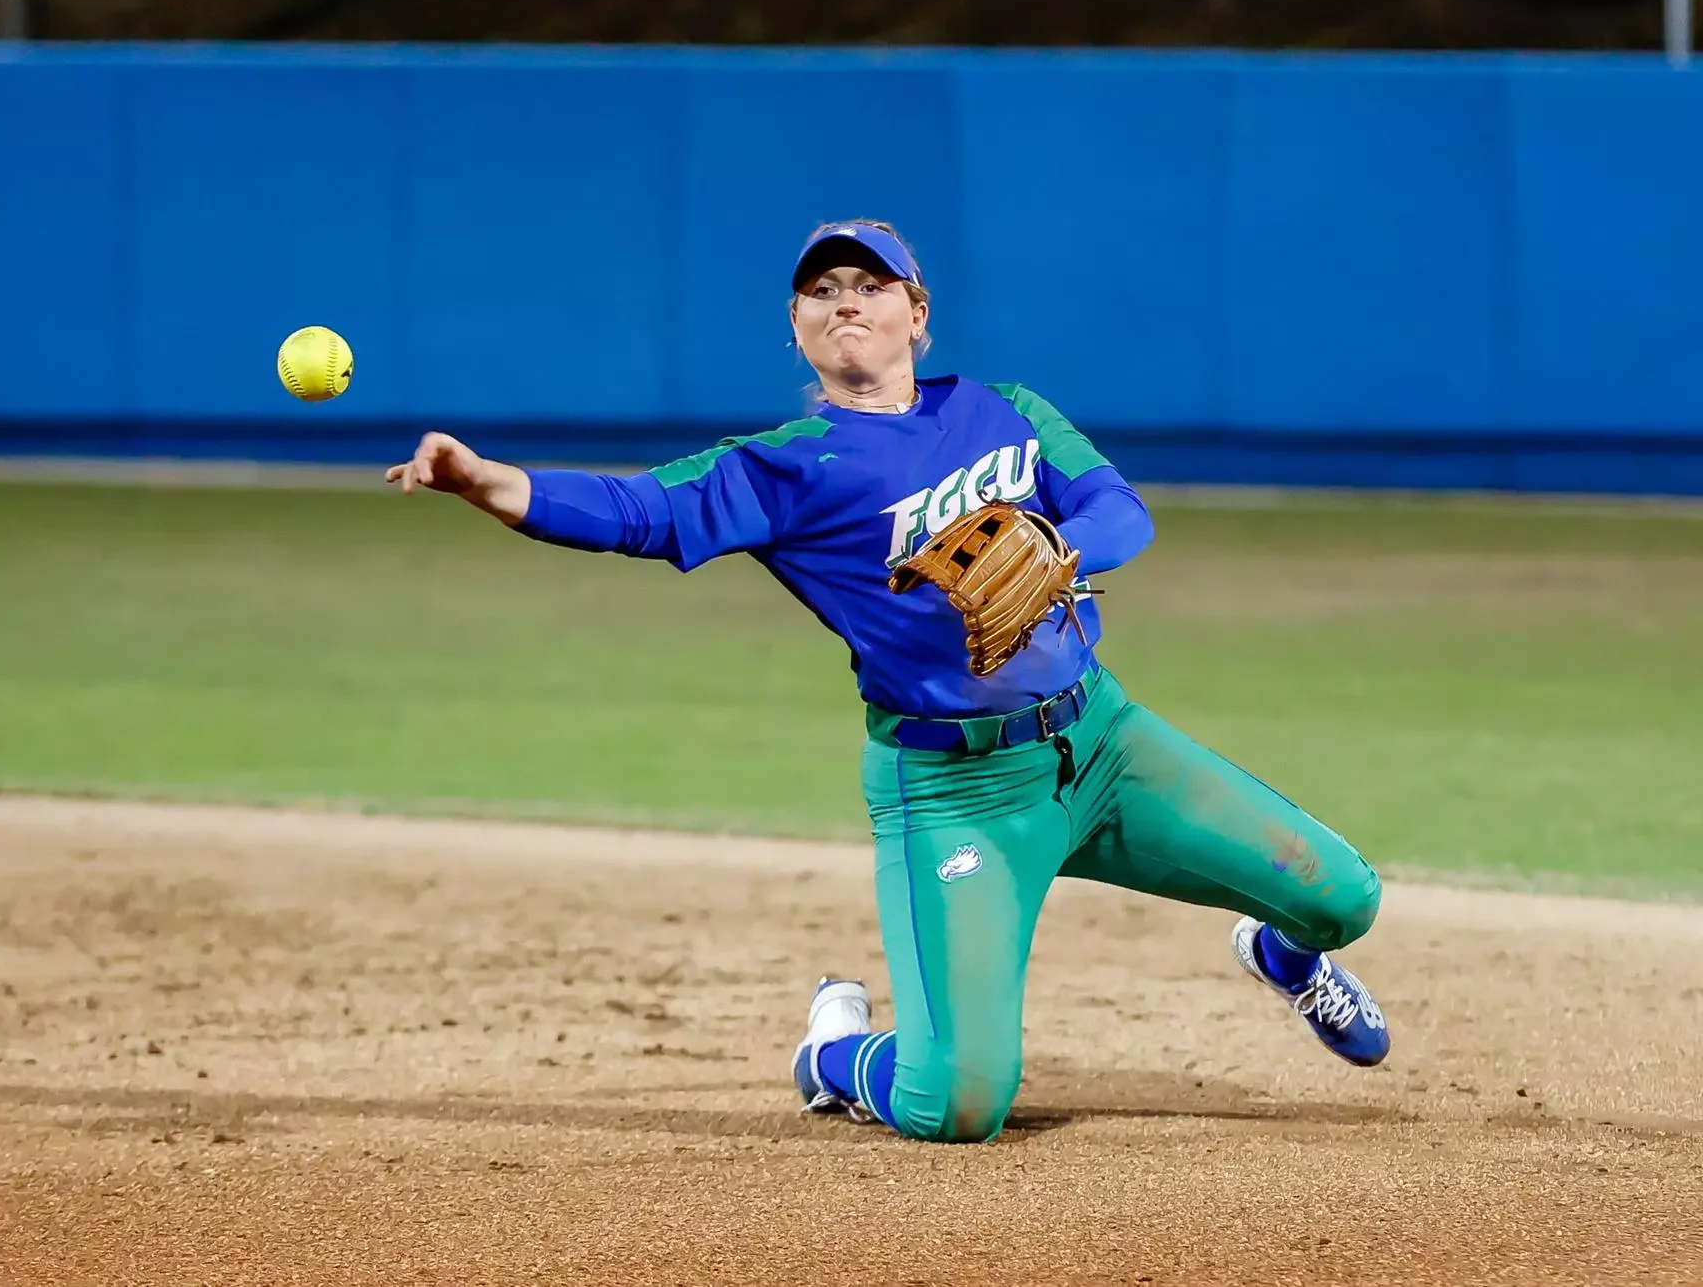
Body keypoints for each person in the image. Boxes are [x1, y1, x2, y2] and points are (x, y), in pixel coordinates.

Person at [384, 219, 1388, 1144]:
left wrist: (1060, 547)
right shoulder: (787, 469)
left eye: (869, 284)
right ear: (797, 328)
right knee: (953, 1101)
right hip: (956, 796)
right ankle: (830, 1051)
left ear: (917, 313)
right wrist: (483, 480)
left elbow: (1120, 513)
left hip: (1105, 748)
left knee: (1342, 896)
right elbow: (636, 509)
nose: (845, 302)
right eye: (821, 291)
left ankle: (1283, 958)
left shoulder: (1003, 412)